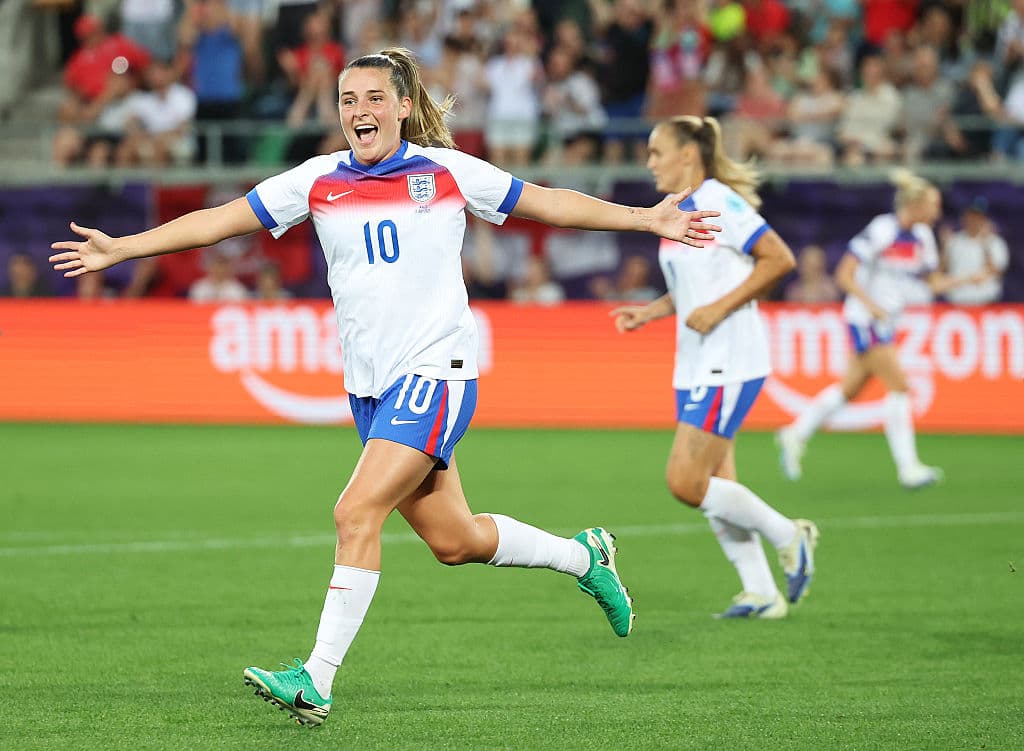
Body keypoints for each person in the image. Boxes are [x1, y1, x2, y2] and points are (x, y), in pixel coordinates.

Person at [50, 47, 722, 728]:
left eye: (374, 97)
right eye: (347, 100)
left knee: (354, 512)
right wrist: (124, 247)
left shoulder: (447, 172)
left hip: (436, 373)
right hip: (370, 388)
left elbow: (546, 202)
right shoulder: (317, 180)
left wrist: (644, 218)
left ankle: (315, 679)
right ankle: (586, 556)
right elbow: (222, 218)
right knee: (454, 540)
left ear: (404, 105)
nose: (359, 111)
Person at [611, 116, 818, 622]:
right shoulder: (679, 210)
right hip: (698, 363)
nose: (650, 161)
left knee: (686, 481)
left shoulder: (719, 201)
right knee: (719, 483)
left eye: (657, 151)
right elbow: (692, 289)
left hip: (729, 360)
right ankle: (761, 592)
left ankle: (790, 534)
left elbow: (779, 259)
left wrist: (720, 308)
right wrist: (654, 310)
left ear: (688, 154)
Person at [776, 171, 990, 489]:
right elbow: (845, 275)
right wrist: (871, 304)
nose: (937, 211)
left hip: (885, 321)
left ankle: (795, 433)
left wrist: (966, 280)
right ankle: (909, 469)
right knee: (900, 386)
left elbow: (932, 283)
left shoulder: (924, 238)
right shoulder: (882, 230)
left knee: (849, 389)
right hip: (865, 320)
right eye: (933, 204)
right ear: (915, 204)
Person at [941, 198, 1009, 305]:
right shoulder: (953, 241)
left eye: (978, 217)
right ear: (963, 218)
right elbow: (942, 270)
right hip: (957, 301)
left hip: (987, 301)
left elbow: (997, 271)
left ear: (984, 219)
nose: (973, 220)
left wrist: (985, 244)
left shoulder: (995, 242)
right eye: (970, 216)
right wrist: (944, 246)